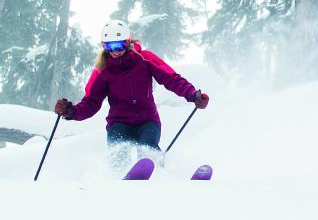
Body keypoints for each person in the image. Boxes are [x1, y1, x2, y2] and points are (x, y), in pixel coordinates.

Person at [53, 19, 209, 157]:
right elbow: (91, 102)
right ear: (104, 46)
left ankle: (157, 173)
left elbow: (171, 78)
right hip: (119, 123)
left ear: (127, 42)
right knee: (119, 153)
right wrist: (71, 111)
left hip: (147, 120)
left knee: (148, 148)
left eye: (118, 45)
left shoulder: (145, 59)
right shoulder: (103, 70)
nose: (115, 51)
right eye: (109, 46)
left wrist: (193, 95)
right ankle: (117, 179)